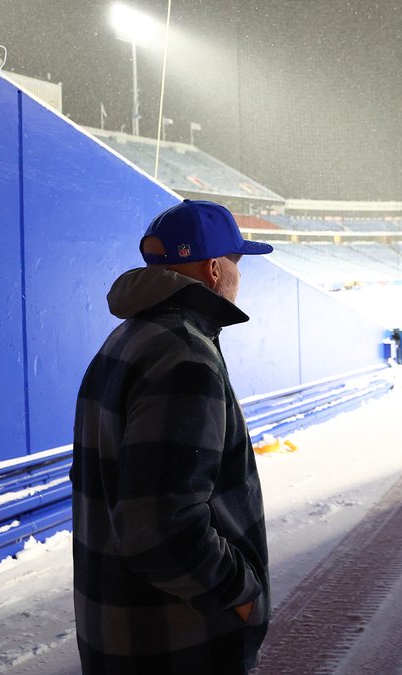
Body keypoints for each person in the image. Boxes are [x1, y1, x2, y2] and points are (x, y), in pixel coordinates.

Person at [71, 199, 274, 674]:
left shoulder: (129, 338)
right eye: (236, 261)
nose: (239, 276)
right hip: (178, 644)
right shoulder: (184, 355)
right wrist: (241, 596)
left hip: (123, 635)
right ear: (213, 270)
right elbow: (160, 529)